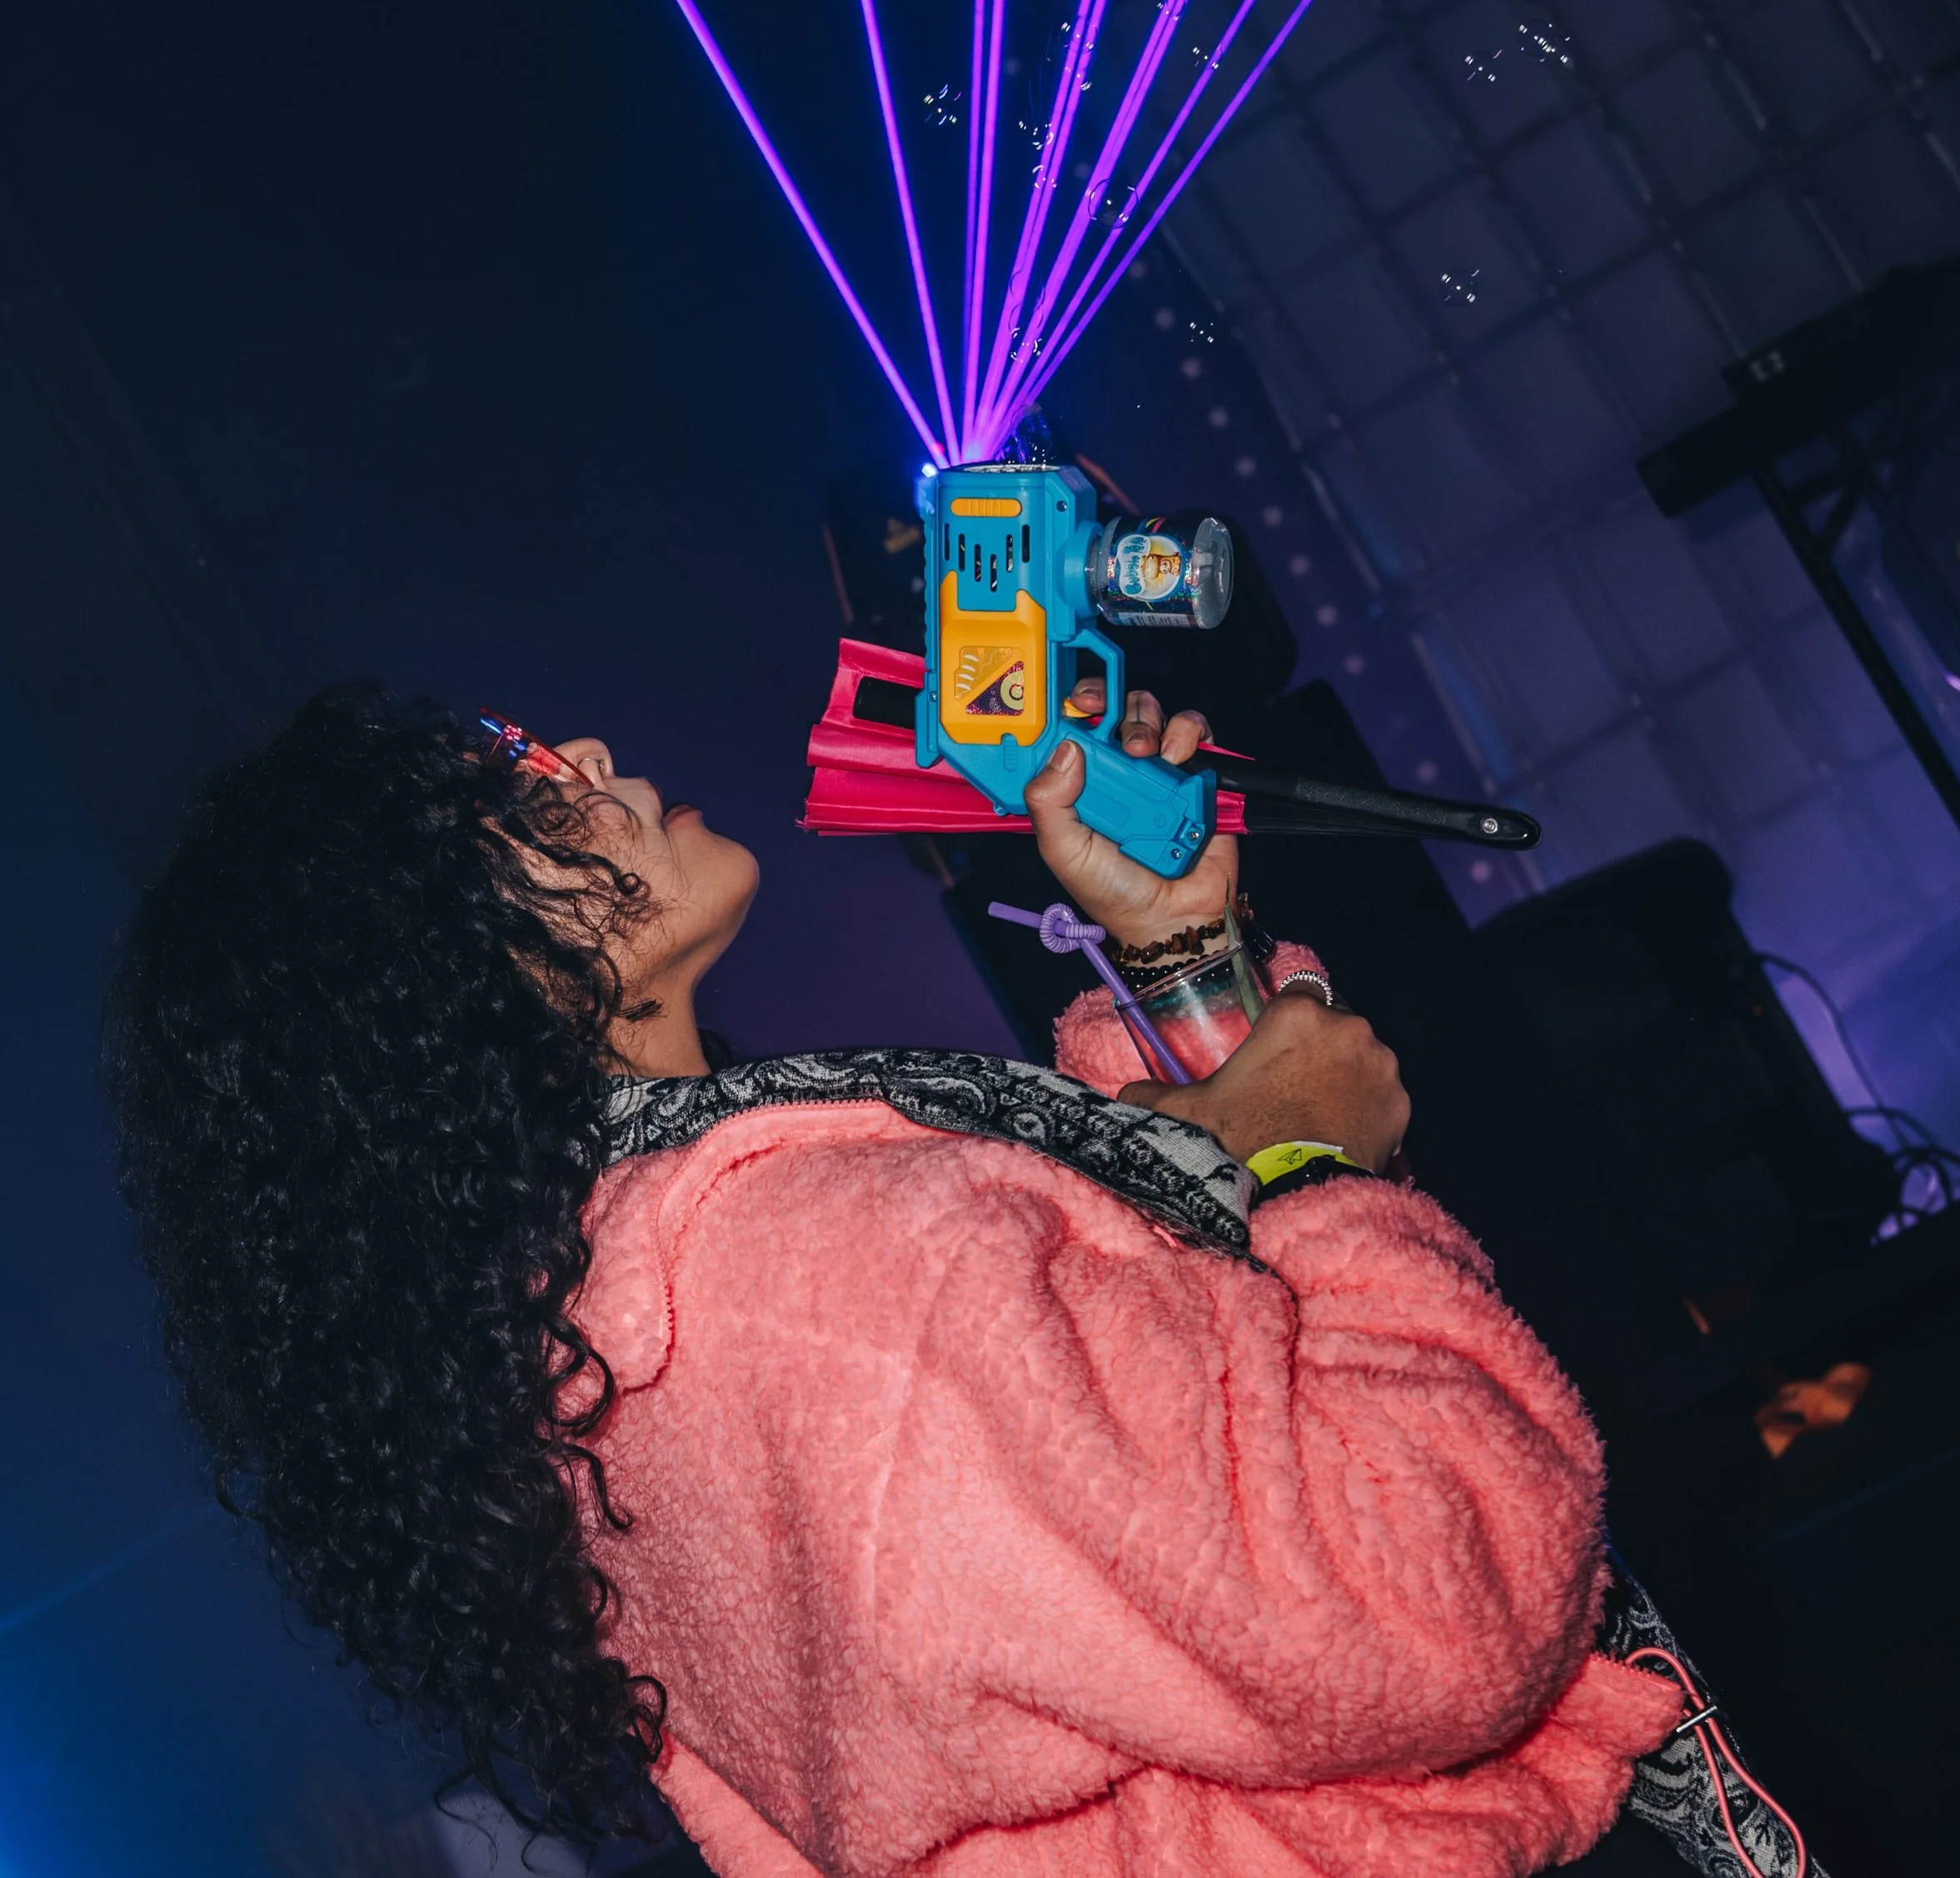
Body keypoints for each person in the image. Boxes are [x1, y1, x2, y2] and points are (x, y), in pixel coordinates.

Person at [108, 678, 1708, 1878]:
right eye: (527, 811)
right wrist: (1315, 1178)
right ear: (451, 989)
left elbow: (1183, 1354)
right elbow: (1427, 1610)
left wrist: (1180, 961)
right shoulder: (797, 1278)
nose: (584, 761)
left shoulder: (605, 1349)